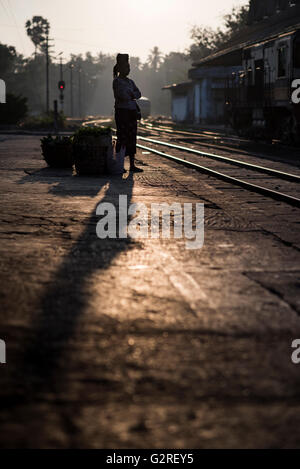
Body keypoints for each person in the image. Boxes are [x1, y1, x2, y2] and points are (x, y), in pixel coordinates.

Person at [113, 54, 143, 172]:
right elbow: (122, 96)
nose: (128, 70)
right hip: (122, 112)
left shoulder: (130, 82)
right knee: (122, 137)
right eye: (126, 67)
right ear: (120, 69)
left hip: (131, 112)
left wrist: (131, 95)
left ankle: (132, 165)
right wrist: (131, 95)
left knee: (132, 138)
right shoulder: (117, 81)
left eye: (129, 67)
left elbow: (138, 93)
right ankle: (119, 165)